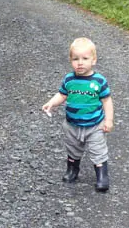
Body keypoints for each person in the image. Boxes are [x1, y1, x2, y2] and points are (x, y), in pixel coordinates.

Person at [42, 37, 114, 192]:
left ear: (93, 60)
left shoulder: (99, 81)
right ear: (70, 60)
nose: (80, 63)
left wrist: (109, 120)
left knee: (98, 150)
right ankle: (72, 169)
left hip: (95, 125)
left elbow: (107, 101)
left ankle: (102, 176)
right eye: (75, 59)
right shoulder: (69, 79)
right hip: (72, 125)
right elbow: (62, 95)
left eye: (85, 58)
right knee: (73, 149)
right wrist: (51, 103)